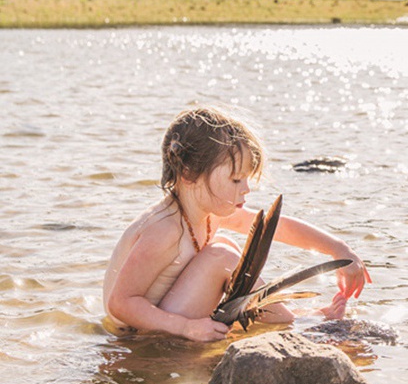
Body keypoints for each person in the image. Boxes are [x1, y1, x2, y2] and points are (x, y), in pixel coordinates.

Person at [103, 106, 370, 342]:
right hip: (139, 336)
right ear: (188, 174)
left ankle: (289, 317)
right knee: (221, 256)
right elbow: (121, 303)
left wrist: (338, 248)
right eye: (235, 180)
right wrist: (186, 328)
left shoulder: (207, 211)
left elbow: (276, 227)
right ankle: (294, 323)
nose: (246, 189)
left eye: (246, 179)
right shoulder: (165, 230)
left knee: (224, 246)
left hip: (165, 320)